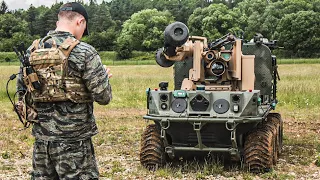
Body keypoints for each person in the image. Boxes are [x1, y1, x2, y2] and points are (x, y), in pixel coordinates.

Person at [16, 2, 112, 179]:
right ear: (80, 21)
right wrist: (103, 77)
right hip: (75, 143)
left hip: (42, 142)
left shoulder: (31, 51)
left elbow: (22, 93)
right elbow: (104, 96)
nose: (82, 35)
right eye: (84, 28)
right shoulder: (85, 52)